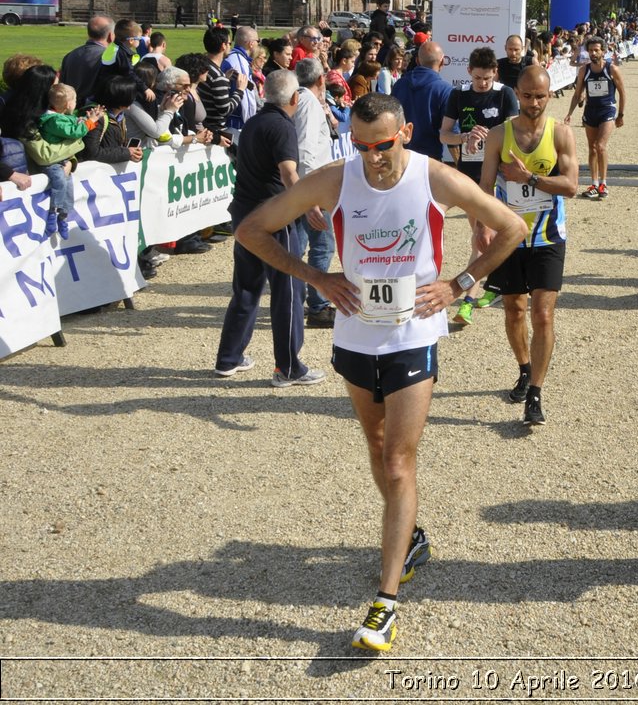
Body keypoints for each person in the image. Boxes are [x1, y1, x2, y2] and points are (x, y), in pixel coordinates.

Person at [234, 91, 526, 652]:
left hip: (413, 334)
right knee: (375, 446)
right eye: (362, 146)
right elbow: (252, 230)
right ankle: (410, 534)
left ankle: (385, 602)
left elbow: (510, 227)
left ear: (406, 133)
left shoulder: (434, 176)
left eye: (383, 145)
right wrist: (315, 278)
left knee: (397, 459)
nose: (373, 158)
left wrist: (459, 285)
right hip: (354, 335)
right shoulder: (334, 179)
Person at [213, 70, 326, 385]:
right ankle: (288, 367)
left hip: (244, 214)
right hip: (273, 218)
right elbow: (290, 172)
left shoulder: (252, 122)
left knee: (246, 288)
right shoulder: (282, 126)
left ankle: (229, 357)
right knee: (289, 289)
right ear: (294, 99)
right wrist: (308, 205)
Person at [480, 66, 580, 422]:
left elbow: (571, 186)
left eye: (540, 96)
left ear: (549, 96)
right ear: (517, 94)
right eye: (527, 95)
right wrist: (481, 228)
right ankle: (524, 368)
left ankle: (535, 394)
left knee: (543, 313)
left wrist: (531, 178)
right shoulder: (498, 135)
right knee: (514, 310)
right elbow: (485, 189)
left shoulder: (561, 134)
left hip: (549, 236)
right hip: (511, 237)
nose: (533, 102)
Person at [440, 47, 520, 326]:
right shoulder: (459, 95)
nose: (482, 84)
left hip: (501, 177)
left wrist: (493, 139)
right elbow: (444, 135)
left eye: (486, 78)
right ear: (468, 73)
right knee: (481, 237)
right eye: (477, 79)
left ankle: (468, 302)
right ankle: (493, 286)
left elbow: (514, 135)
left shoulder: (504, 94)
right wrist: (465, 137)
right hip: (471, 176)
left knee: (485, 239)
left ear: (494, 74)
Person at [292, 59, 338, 327]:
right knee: (321, 246)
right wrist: (311, 196)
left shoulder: (301, 99)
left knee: (297, 247)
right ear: (320, 80)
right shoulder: (308, 101)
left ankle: (294, 300)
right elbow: (306, 149)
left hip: (304, 186)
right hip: (312, 187)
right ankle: (318, 306)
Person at [34, 83, 100, 239]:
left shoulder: (61, 117)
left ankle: (63, 217)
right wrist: (90, 122)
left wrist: (86, 119)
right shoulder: (53, 120)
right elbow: (73, 131)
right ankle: (53, 212)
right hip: (53, 162)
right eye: (75, 100)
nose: (76, 104)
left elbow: (73, 123)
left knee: (69, 187)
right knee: (60, 182)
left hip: (63, 159)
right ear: (68, 104)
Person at [564, 38, 626, 199]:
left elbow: (622, 92)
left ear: (603, 51)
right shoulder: (584, 70)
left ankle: (604, 183)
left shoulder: (611, 69)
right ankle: (594, 184)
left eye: (596, 50)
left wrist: (621, 114)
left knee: (600, 146)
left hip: (607, 110)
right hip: (591, 110)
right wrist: (570, 113)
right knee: (592, 148)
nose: (593, 53)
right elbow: (577, 94)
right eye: (590, 50)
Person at [392, 42, 453, 162]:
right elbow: (450, 131)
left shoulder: (399, 84)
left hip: (401, 155)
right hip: (430, 159)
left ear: (417, 61)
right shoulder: (445, 89)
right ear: (442, 62)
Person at [59, 15, 112, 99]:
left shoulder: (70, 55)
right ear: (111, 36)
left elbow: (62, 87)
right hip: (96, 109)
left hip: (71, 107)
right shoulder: (110, 57)